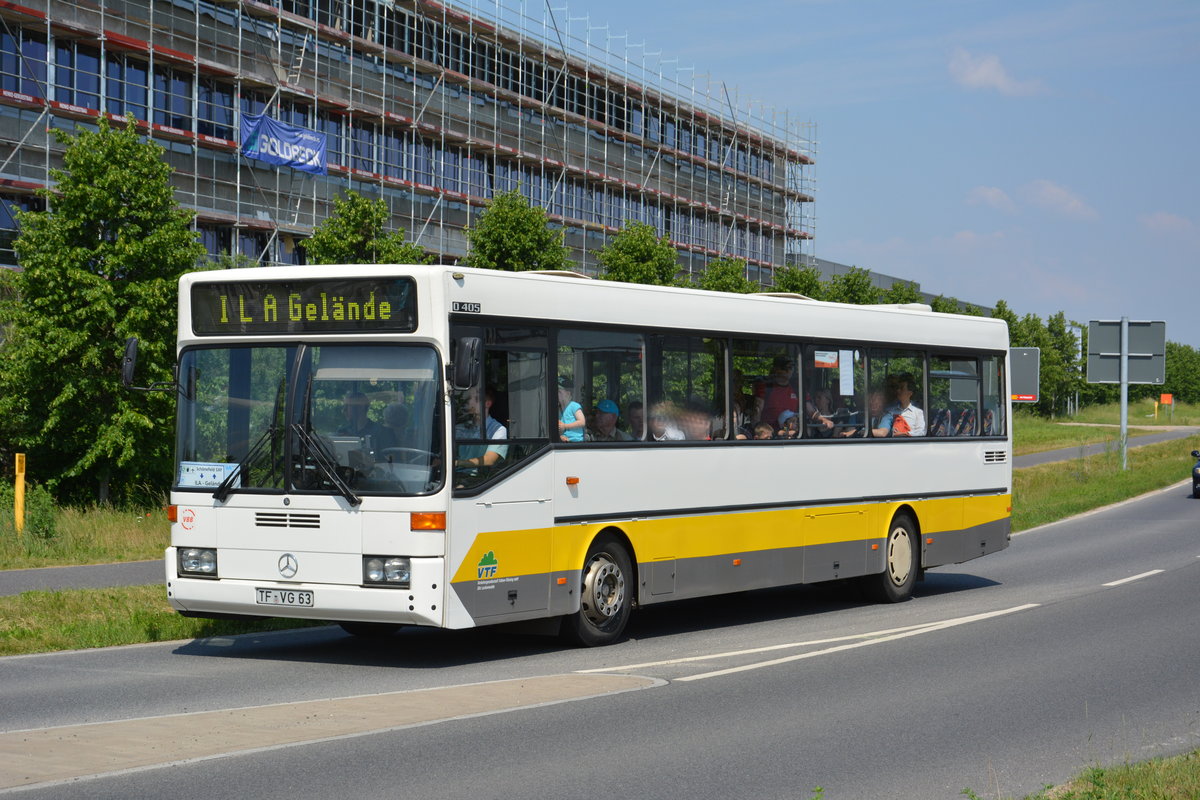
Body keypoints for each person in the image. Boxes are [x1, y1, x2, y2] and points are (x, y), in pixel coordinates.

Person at [454, 386, 508, 470]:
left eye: (472, 399)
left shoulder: (498, 430)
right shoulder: (461, 427)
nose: (468, 402)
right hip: (454, 475)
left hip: (478, 480)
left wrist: (457, 463)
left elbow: (489, 460)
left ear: (487, 404)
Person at [754, 356, 800, 431]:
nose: (789, 371)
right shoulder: (766, 387)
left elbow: (810, 409)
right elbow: (757, 410)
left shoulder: (797, 388)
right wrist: (757, 431)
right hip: (769, 434)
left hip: (790, 431)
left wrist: (823, 419)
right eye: (786, 368)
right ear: (776, 369)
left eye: (791, 368)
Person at [557, 377, 586, 442]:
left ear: (568, 393)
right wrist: (560, 436)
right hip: (565, 441)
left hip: (577, 443)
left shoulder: (574, 405)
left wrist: (565, 426)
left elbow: (582, 422)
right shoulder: (558, 409)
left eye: (559, 391)